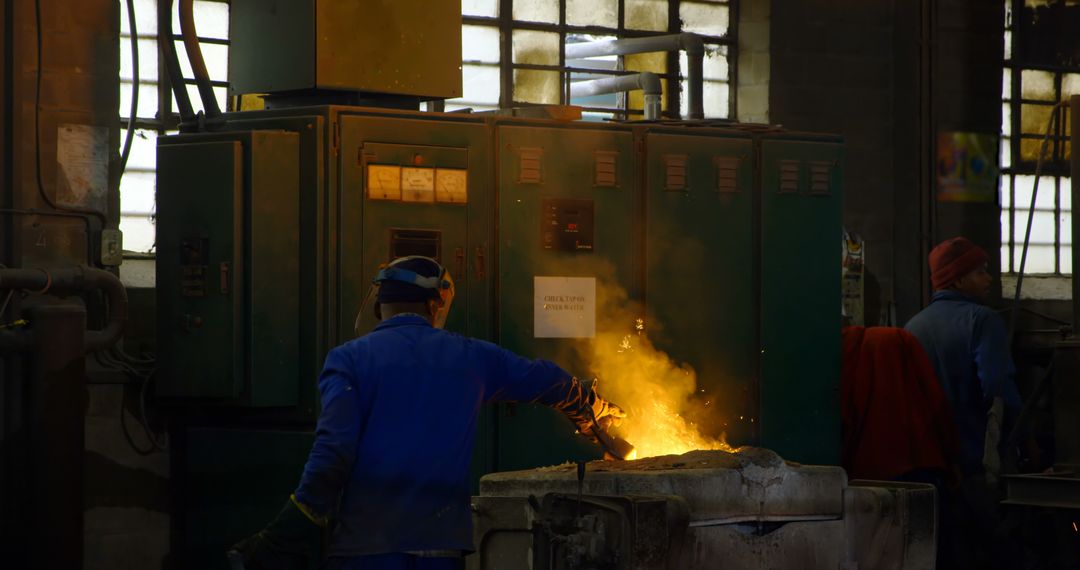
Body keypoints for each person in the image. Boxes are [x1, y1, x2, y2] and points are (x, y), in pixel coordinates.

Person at [231, 255, 625, 570]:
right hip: (441, 547)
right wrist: (593, 413)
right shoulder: (471, 357)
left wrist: (294, 525)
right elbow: (548, 380)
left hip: (366, 547)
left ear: (378, 306)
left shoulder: (349, 360)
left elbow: (332, 455)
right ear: (435, 304)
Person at [904, 236, 1022, 568]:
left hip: (930, 465)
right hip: (975, 462)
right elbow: (998, 390)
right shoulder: (983, 321)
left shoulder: (913, 326)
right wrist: (1023, 442)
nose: (989, 279)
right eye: (981, 272)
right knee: (993, 548)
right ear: (957, 279)